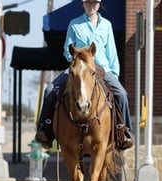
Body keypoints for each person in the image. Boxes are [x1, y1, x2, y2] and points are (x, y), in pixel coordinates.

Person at [35, 0, 133, 150]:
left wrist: (114, 75)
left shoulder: (107, 25)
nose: (91, 6)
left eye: (94, 3)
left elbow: (112, 53)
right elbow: (67, 50)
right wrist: (75, 59)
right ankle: (45, 130)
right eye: (88, 3)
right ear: (83, 4)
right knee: (49, 90)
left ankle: (124, 131)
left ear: (99, 5)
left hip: (102, 68)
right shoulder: (74, 24)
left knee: (122, 94)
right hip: (79, 66)